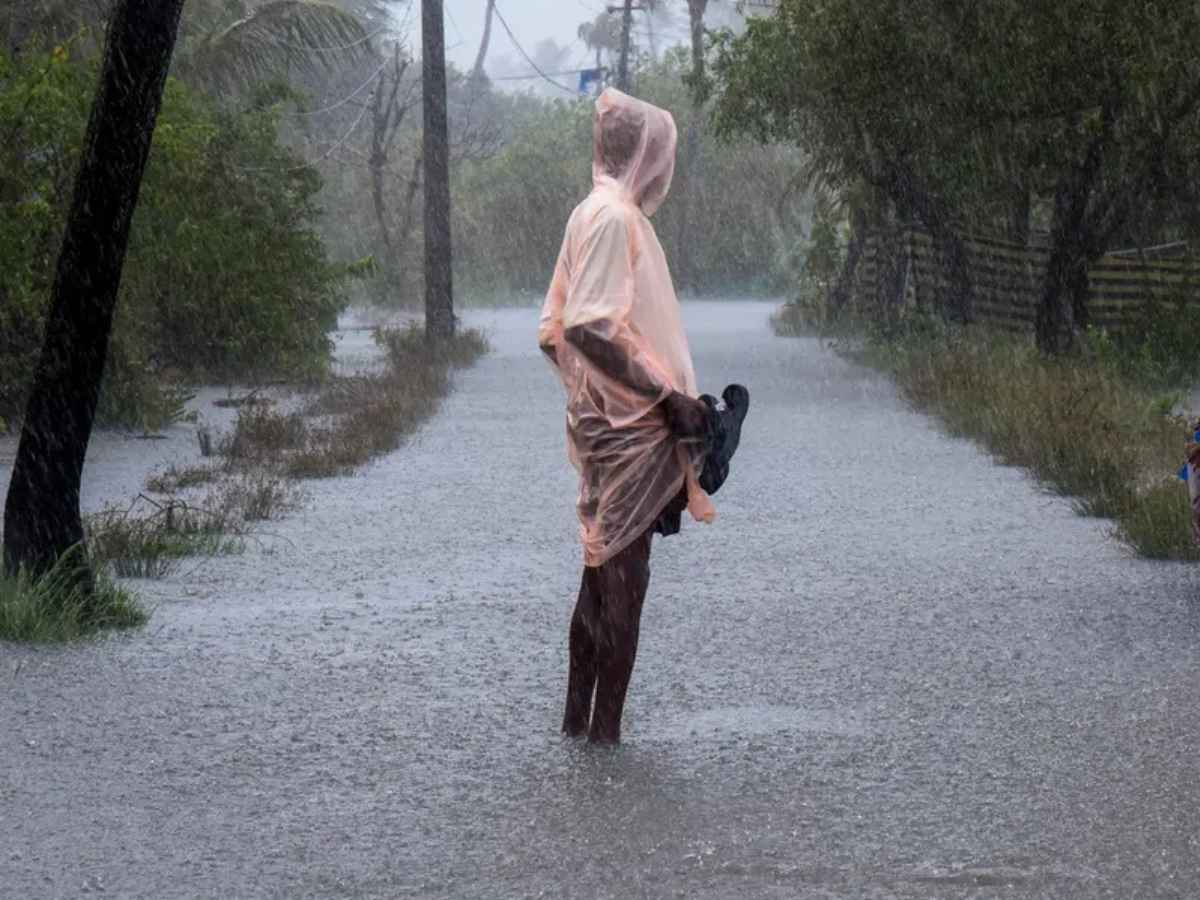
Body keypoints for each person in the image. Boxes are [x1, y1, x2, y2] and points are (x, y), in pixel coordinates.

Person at [538, 88, 720, 744]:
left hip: (606, 425)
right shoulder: (615, 220)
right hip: (632, 430)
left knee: (598, 573)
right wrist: (661, 397)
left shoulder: (588, 214)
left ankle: (577, 731)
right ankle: (605, 740)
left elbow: (551, 330)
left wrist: (589, 399)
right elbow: (588, 325)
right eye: (663, 152)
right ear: (647, 155)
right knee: (623, 583)